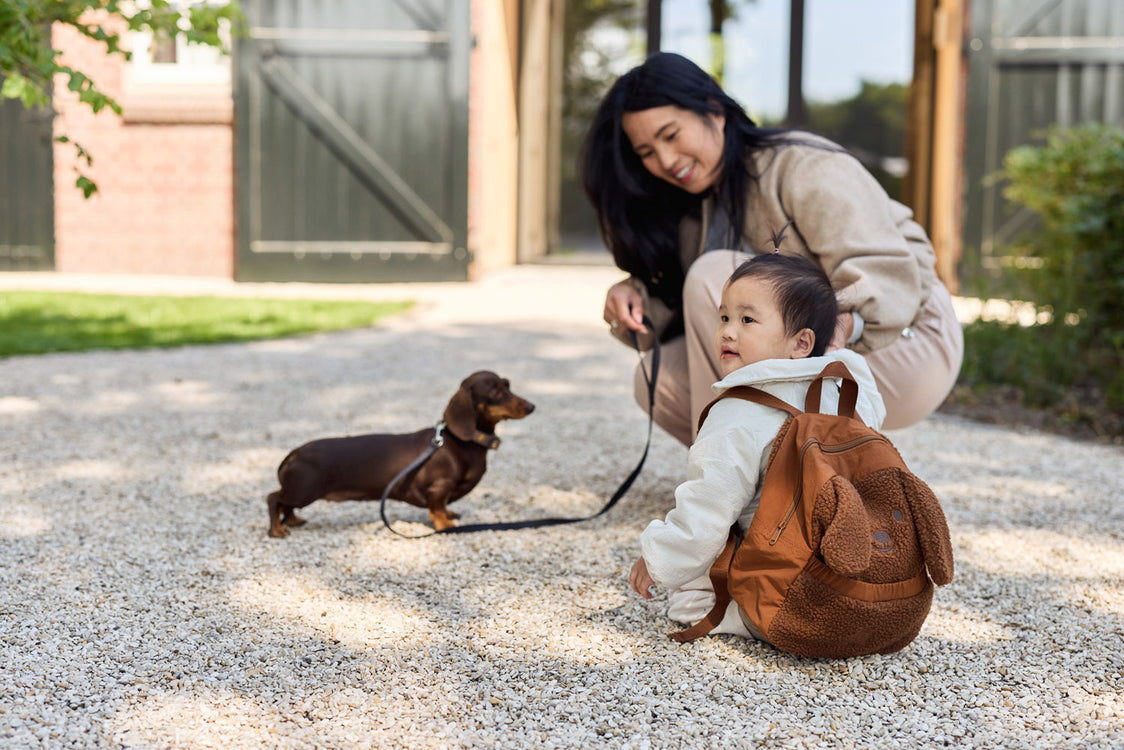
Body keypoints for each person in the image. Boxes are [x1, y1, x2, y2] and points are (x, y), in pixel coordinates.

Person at [582, 52, 962, 445]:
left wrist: (827, 333)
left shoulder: (799, 164)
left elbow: (887, 271)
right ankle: (762, 478)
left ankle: (720, 482)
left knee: (722, 276)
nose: (665, 160)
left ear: (714, 111)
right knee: (658, 381)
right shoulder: (697, 208)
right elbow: (694, 313)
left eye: (671, 135)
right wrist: (636, 298)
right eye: (646, 153)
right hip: (808, 350)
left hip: (903, 341)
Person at [628, 252, 886, 638]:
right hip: (854, 563)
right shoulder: (847, 386)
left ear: (801, 343)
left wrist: (659, 557)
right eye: (724, 317)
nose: (728, 332)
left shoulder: (738, 412)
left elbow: (707, 505)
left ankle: (739, 616)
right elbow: (872, 406)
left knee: (690, 588)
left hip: (786, 576)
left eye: (747, 320)